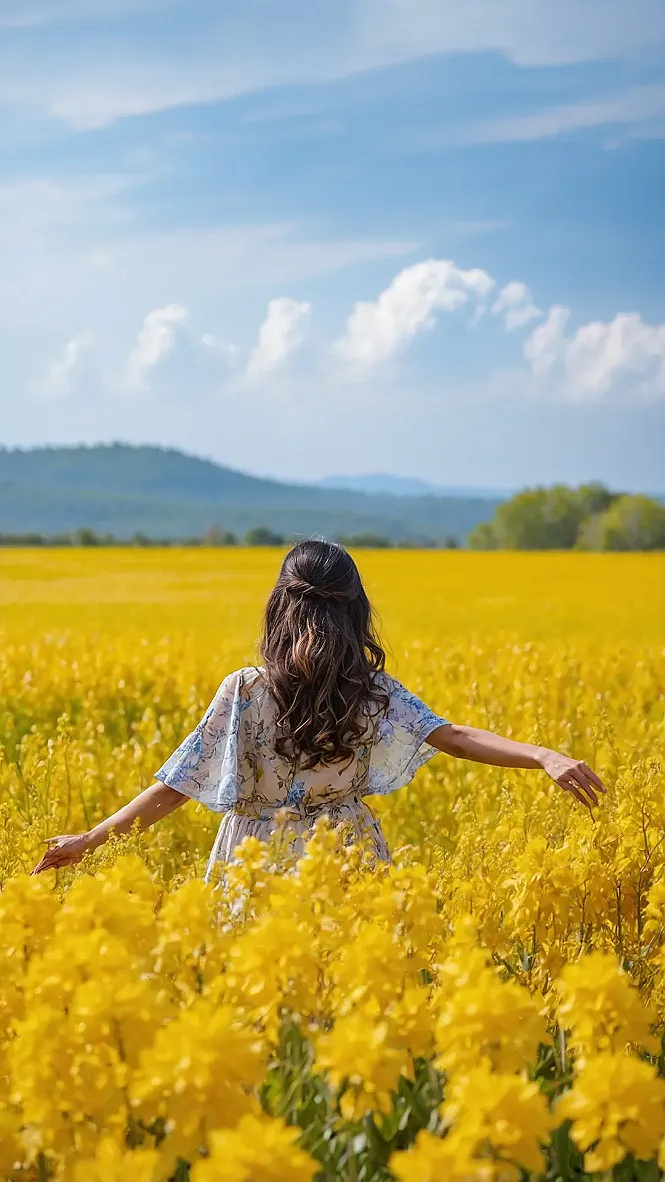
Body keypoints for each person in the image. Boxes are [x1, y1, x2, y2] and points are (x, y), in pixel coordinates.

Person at [32, 540, 606, 879]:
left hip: (256, 859)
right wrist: (543, 755)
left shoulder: (245, 690)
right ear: (356, 610)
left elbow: (177, 786)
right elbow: (451, 735)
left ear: (279, 606)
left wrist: (89, 841)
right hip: (347, 851)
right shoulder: (370, 690)